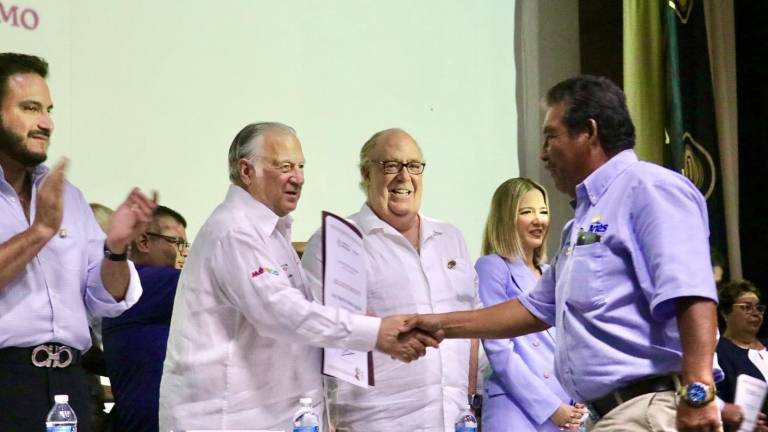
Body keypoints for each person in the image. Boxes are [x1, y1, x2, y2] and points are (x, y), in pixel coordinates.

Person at [403, 75, 720, 432]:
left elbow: (691, 292)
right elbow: (533, 309)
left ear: (589, 132)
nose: (542, 152)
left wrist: (699, 393)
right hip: (610, 417)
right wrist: (438, 324)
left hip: (651, 410)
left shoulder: (649, 188)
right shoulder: (581, 223)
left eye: (551, 136)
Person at [158, 122, 436, 431]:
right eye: (285, 166)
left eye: (301, 166)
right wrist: (373, 332)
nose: (299, 178)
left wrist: (353, 321)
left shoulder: (272, 234)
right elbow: (280, 313)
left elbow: (299, 321)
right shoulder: (234, 233)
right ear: (246, 171)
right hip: (229, 419)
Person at [0, 52, 155, 431]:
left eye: (49, 110)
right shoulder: (54, 208)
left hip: (70, 383)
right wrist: (39, 231)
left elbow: (106, 299)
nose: (47, 123)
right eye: (30, 108)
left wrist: (115, 248)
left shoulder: (67, 195)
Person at [302, 128, 480, 430]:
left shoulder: (451, 237)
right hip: (374, 423)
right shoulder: (337, 242)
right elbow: (309, 337)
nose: (403, 176)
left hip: (455, 420)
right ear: (366, 173)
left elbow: (472, 321)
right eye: (390, 165)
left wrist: (471, 398)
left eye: (413, 166)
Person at [475, 177, 583, 431]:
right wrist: (551, 408)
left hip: (566, 411)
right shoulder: (492, 267)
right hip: (517, 408)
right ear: (506, 218)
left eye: (543, 212)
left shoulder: (550, 272)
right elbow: (499, 351)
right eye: (527, 212)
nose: (539, 220)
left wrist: (579, 402)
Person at [102, 205, 189, 432]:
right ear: (143, 242)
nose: (184, 252)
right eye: (177, 242)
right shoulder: (140, 283)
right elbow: (220, 280)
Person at [716, 280, 768, 432]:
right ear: (725, 313)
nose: (755, 312)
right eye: (746, 307)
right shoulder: (718, 352)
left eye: (759, 308)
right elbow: (712, 401)